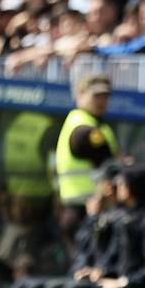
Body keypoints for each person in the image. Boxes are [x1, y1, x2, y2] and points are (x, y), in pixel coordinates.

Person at [54, 73, 118, 242]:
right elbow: (109, 168)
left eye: (105, 96)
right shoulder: (85, 129)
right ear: (80, 95)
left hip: (79, 210)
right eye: (96, 95)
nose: (102, 101)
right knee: (88, 267)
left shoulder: (88, 123)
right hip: (87, 211)